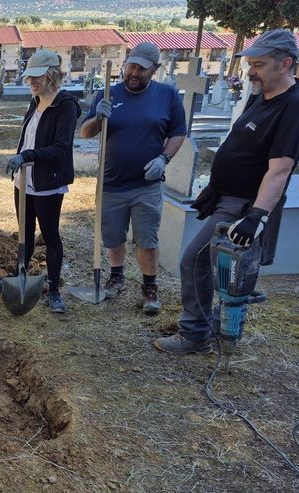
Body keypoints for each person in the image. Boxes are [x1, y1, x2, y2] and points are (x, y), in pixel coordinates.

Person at [155, 29, 299, 354]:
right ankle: (216, 330)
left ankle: (195, 335)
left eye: (260, 64)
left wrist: (256, 217)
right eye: (251, 64)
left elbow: (279, 169)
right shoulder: (262, 96)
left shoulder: (293, 105)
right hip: (227, 197)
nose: (250, 71)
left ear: (286, 63)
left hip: (243, 205)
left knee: (194, 261)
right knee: (220, 269)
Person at [80, 41, 187, 315]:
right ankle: (116, 277)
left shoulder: (167, 96)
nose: (134, 73)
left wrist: (164, 158)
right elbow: (86, 132)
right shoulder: (109, 93)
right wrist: (98, 117)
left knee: (146, 239)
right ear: (124, 66)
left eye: (142, 68)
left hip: (146, 186)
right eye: (131, 66)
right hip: (111, 183)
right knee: (113, 237)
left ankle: (149, 288)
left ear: (155, 70)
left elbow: (177, 133)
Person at [0, 49, 81, 313]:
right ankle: (20, 278)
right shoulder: (35, 101)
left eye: (37, 77)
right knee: (25, 234)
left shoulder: (66, 106)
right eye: (30, 77)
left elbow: (60, 149)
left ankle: (53, 290)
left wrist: (26, 156)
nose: (32, 82)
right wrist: (22, 160)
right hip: (24, 180)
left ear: (52, 75)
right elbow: (29, 138)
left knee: (50, 236)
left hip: (47, 184)